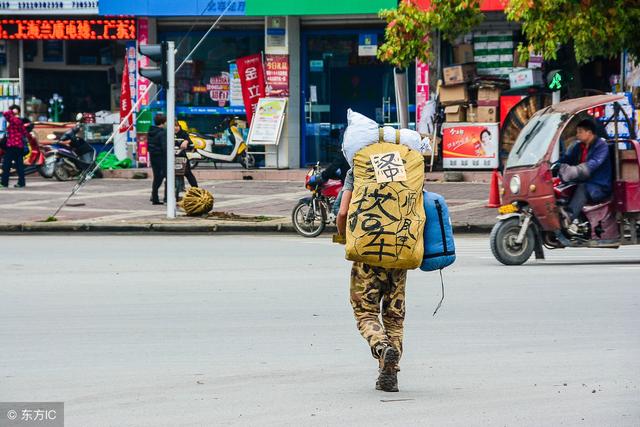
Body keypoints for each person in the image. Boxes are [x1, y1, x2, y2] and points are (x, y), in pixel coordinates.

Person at [336, 169, 406, 393]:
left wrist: (344, 238)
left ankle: (381, 345)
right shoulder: (406, 168)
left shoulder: (358, 169)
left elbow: (343, 212)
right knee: (394, 318)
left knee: (365, 312)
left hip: (368, 254)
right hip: (399, 254)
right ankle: (390, 373)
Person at [559, 119, 612, 233]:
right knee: (561, 188)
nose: (577, 135)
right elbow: (567, 159)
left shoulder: (601, 146)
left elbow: (593, 164)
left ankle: (569, 217)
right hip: (583, 181)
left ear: (589, 132)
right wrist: (554, 165)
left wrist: (575, 171)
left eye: (580, 132)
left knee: (582, 188)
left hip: (599, 186)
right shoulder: (578, 147)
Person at [1, 105, 28, 188]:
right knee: (19, 165)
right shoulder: (20, 121)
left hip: (12, 145)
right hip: (19, 146)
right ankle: (21, 183)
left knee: (6, 165)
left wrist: (12, 111)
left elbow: (5, 114)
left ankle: (4, 183)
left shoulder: (13, 120)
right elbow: (25, 133)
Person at [147, 114, 167, 205]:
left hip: (153, 156)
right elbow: (164, 146)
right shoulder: (162, 132)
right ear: (163, 122)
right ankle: (166, 197)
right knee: (165, 176)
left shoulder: (151, 131)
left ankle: (154, 196)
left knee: (157, 177)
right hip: (161, 157)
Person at [174, 122, 198, 196]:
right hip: (171, 159)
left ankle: (196, 191)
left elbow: (191, 144)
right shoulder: (167, 133)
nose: (175, 128)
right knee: (172, 176)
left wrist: (186, 141)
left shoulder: (183, 133)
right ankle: (174, 194)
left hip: (182, 158)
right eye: (174, 126)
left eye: (177, 126)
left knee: (188, 173)